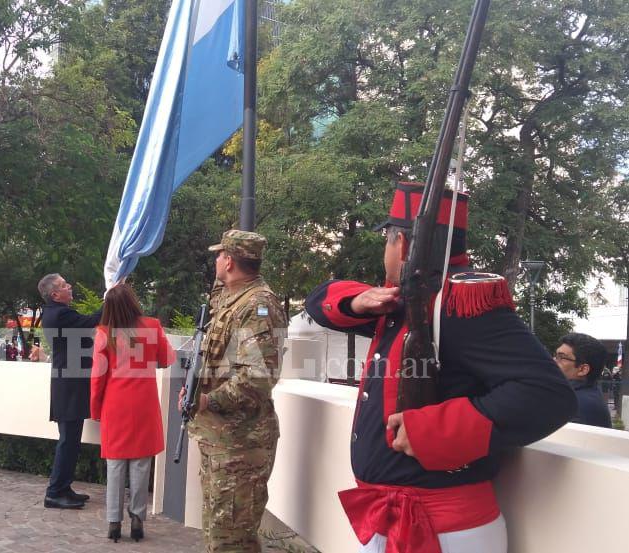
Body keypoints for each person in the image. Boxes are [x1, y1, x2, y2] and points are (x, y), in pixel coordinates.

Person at [305, 182, 576, 552]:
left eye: (387, 239)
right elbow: (319, 301)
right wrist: (356, 301)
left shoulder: (459, 303)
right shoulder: (409, 301)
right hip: (392, 516)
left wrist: (431, 431)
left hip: (445, 530)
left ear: (400, 244)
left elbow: (547, 395)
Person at [182, 230, 286, 553]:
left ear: (228, 261)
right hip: (222, 442)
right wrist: (194, 391)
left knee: (232, 543)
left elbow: (256, 378)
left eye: (219, 255)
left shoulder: (258, 306)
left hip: (241, 445)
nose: (215, 260)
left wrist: (206, 399)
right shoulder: (232, 299)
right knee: (219, 536)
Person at [91, 284, 175, 542]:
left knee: (115, 463)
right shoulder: (152, 326)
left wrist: (95, 409)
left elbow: (97, 377)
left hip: (115, 404)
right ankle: (137, 518)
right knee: (141, 462)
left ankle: (114, 522)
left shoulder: (104, 333)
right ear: (133, 301)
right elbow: (167, 358)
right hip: (144, 403)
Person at [38, 273, 102, 509]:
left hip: (69, 384)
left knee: (72, 441)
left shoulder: (56, 313)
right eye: (65, 285)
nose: (70, 286)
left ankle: (64, 488)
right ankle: (54, 492)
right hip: (69, 386)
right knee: (68, 441)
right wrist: (111, 298)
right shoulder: (61, 314)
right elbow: (91, 320)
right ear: (55, 294)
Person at [555, 333, 612, 428]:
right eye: (556, 356)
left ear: (583, 370)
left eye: (561, 357)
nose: (553, 361)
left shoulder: (573, 405)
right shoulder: (586, 394)